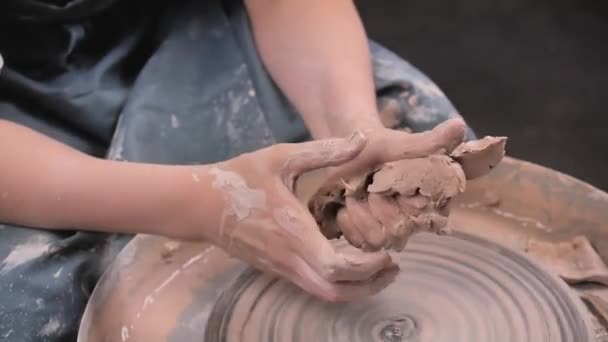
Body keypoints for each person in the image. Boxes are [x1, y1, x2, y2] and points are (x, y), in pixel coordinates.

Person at [0, 0, 470, 340]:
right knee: (33, 310)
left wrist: (352, 134)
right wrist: (204, 203)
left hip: (184, 29)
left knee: (413, 152)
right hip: (19, 110)